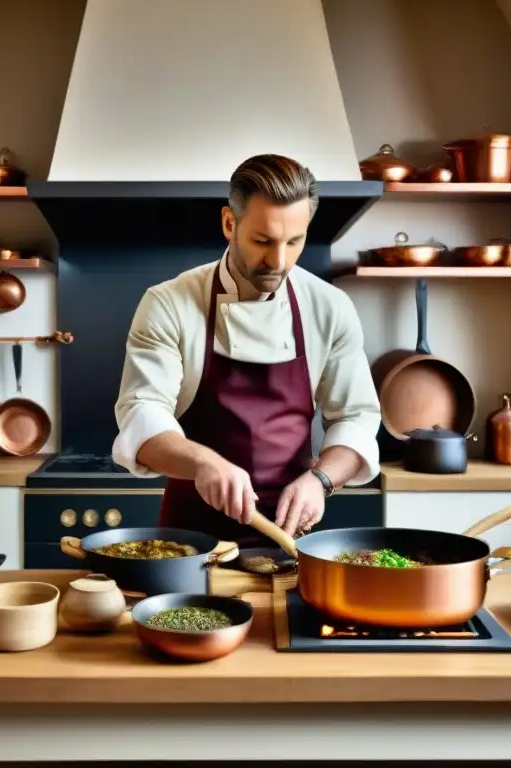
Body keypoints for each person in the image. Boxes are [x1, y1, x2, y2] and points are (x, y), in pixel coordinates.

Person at [111, 154, 381, 545]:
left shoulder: (329, 307)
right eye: (263, 241)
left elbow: (356, 417)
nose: (279, 260)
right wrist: (205, 463)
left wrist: (321, 480)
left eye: (294, 242)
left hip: (288, 535)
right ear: (228, 223)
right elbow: (141, 413)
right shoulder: (170, 303)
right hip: (188, 542)